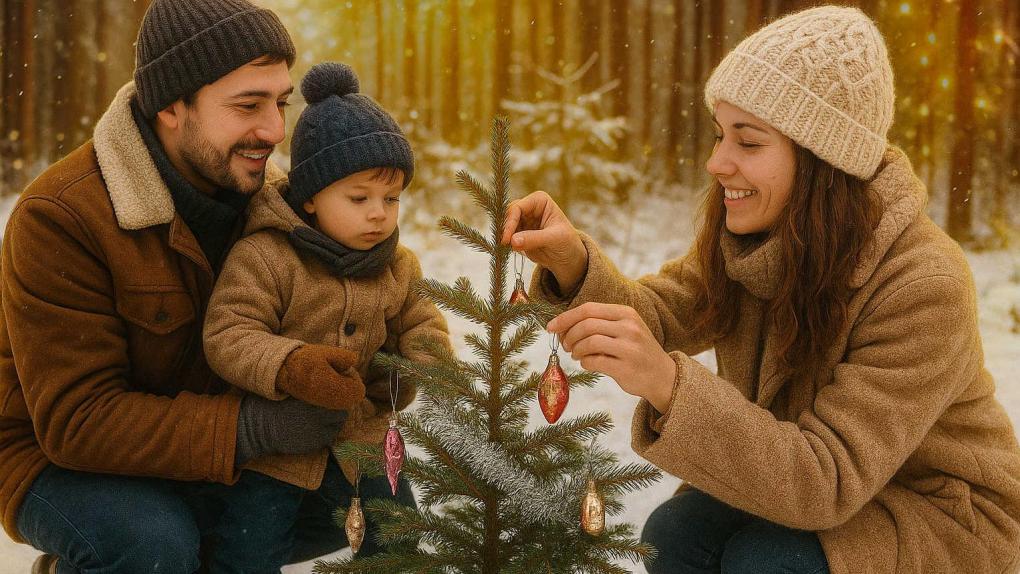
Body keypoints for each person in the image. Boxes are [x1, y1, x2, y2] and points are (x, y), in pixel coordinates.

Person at [501, 6, 1020, 574]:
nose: (716, 162)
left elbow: (826, 477)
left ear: (822, 160)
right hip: (813, 484)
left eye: (748, 143)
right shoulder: (759, 238)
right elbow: (660, 316)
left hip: (938, 514)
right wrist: (573, 263)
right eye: (720, 135)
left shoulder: (924, 284)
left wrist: (669, 383)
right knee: (675, 534)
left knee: (766, 561)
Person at [0, 1, 407, 572]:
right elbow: (78, 422)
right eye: (247, 105)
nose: (274, 131)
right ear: (171, 104)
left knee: (372, 508)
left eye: (280, 103)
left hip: (207, 446)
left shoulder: (273, 205)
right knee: (153, 542)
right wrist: (255, 428)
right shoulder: (61, 216)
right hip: (59, 460)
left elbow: (368, 292)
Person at [202, 61, 449, 570]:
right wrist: (290, 363)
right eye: (359, 198)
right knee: (249, 549)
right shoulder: (267, 256)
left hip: (366, 440)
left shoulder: (398, 266)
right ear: (311, 198)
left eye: (391, 198)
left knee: (398, 535)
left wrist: (426, 359)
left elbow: (421, 320)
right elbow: (229, 332)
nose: (379, 212)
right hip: (275, 451)